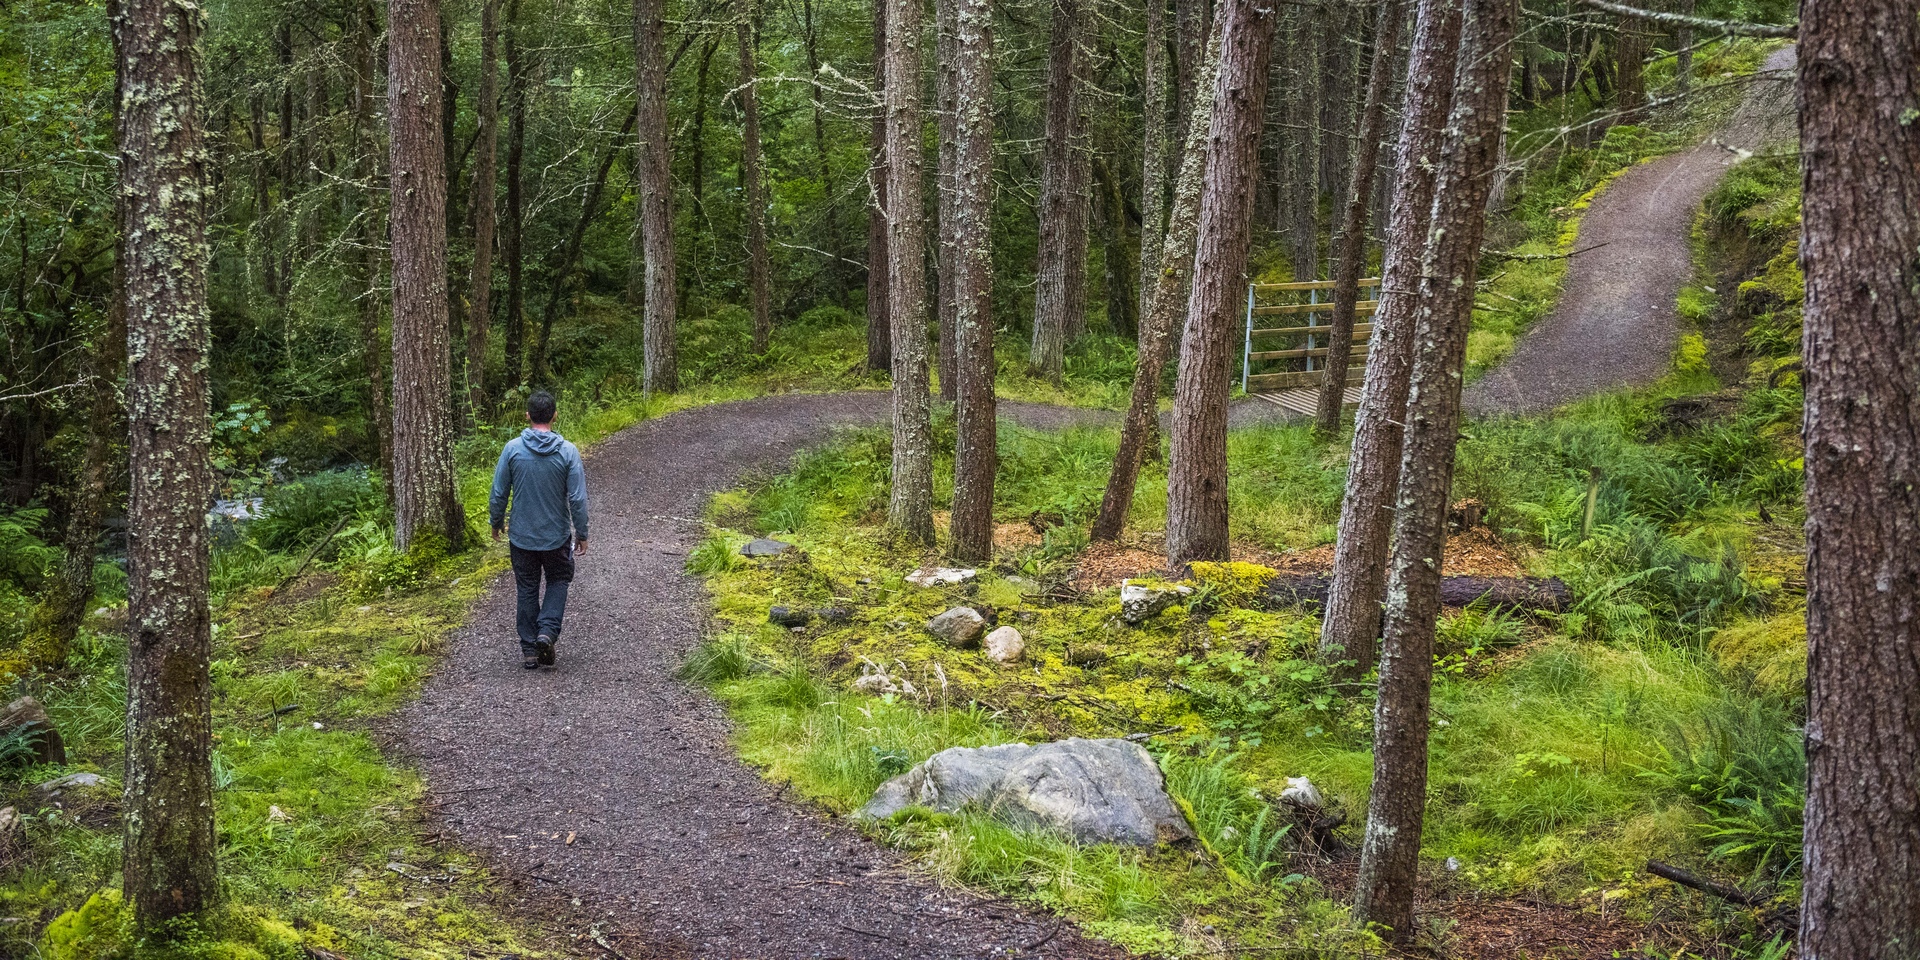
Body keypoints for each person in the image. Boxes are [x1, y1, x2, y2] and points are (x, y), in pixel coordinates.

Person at [489, 390, 589, 670]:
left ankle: (530, 650)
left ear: (528, 416)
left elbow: (499, 492)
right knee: (558, 580)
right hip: (556, 536)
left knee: (527, 587)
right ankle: (547, 632)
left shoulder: (512, 449)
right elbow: (577, 498)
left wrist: (496, 522)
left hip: (521, 536)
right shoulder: (568, 451)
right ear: (555, 415)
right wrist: (582, 533)